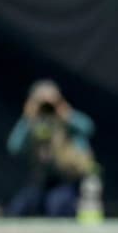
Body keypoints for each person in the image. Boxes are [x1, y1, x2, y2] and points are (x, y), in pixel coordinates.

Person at [6, 79, 97, 217]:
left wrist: (66, 114)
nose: (46, 107)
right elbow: (14, 147)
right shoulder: (33, 122)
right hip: (42, 181)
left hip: (67, 180)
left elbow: (88, 128)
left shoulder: (66, 121)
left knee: (57, 205)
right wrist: (28, 118)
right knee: (19, 208)